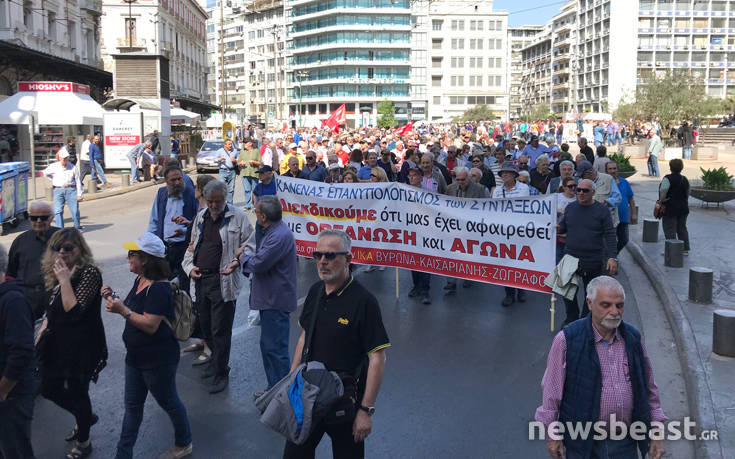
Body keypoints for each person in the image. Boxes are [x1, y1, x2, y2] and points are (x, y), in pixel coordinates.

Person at [283, 230, 390, 459]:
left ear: (348, 259)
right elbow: (304, 337)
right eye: (318, 255)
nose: (322, 261)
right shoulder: (315, 291)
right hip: (308, 396)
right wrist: (291, 383)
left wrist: (366, 411)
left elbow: (377, 358)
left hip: (345, 404)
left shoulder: (364, 302)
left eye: (330, 256)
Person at [535, 276, 666, 459]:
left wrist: (657, 433)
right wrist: (552, 435)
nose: (614, 312)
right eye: (606, 305)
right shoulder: (567, 340)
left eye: (619, 305)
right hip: (582, 444)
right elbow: (551, 394)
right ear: (589, 303)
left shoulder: (633, 339)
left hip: (625, 443)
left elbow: (650, 390)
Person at [102, 233, 192, 459]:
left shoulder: (160, 289)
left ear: (145, 259)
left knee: (169, 402)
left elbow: (150, 324)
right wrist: (113, 298)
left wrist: (122, 310)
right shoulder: (140, 281)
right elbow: (134, 307)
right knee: (132, 408)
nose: (127, 257)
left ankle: (184, 442)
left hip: (157, 361)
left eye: (132, 254)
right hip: (135, 358)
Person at [38, 228, 107, 459]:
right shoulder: (56, 272)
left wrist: (65, 280)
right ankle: (84, 417)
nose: (62, 253)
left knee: (78, 392)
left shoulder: (89, 273)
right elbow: (53, 307)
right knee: (48, 388)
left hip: (82, 346)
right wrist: (45, 325)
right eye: (58, 248)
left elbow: (73, 311)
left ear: (80, 250)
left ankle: (84, 441)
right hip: (58, 344)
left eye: (69, 248)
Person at [182, 180, 253, 393]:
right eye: (210, 201)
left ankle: (221, 372)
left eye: (217, 201)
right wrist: (189, 268)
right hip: (200, 280)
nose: (213, 205)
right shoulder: (201, 217)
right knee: (206, 327)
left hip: (223, 281)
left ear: (225, 199)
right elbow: (191, 248)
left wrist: (237, 261)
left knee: (221, 330)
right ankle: (215, 364)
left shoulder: (237, 217)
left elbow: (250, 244)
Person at [240, 196, 297, 393]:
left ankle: (281, 394)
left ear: (263, 216)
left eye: (256, 213)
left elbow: (259, 263)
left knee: (276, 350)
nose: (254, 216)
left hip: (276, 300)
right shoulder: (270, 231)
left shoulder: (278, 236)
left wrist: (243, 257)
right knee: (268, 347)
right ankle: (274, 389)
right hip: (269, 299)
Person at [558, 179, 617, 325]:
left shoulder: (602, 211)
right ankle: (571, 319)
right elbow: (563, 227)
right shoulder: (570, 208)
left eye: (585, 191)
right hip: (570, 256)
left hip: (592, 258)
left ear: (593, 193)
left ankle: (585, 321)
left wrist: (612, 257)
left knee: (590, 293)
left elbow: (610, 233)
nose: (580, 193)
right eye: (578, 190)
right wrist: (554, 228)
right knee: (566, 291)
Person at [0, 242, 36, 459]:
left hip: (11, 395)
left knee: (16, 450)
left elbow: (21, 352)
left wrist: (3, 390)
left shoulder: (12, 301)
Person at [148, 164, 198, 293]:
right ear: (166, 181)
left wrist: (185, 230)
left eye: (179, 179)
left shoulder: (192, 194)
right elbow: (154, 221)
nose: (177, 183)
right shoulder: (162, 193)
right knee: (163, 285)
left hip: (184, 248)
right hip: (164, 248)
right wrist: (151, 244)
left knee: (183, 286)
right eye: (173, 180)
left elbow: (200, 222)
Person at [7, 201, 60, 319]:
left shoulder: (63, 237)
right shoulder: (20, 241)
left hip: (56, 298)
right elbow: (10, 273)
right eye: (34, 218)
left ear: (51, 218)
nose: (39, 221)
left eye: (43, 217)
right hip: (27, 301)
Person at [444, 166, 487, 292]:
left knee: (469, 255)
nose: (460, 182)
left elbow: (485, 208)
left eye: (463, 179)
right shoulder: (450, 188)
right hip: (454, 228)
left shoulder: (479, 189)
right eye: (458, 179)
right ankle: (451, 281)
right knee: (451, 255)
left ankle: (469, 276)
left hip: (471, 229)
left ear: (468, 178)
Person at [492, 163, 530, 307]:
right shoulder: (497, 191)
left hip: (519, 231)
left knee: (520, 261)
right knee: (506, 262)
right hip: (503, 231)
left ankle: (521, 289)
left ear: (514, 175)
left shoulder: (523, 188)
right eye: (502, 174)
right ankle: (509, 293)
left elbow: (521, 206)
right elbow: (496, 209)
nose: (504, 175)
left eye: (507, 173)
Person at [43, 148, 84, 229]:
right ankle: (60, 229)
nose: (65, 160)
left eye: (66, 158)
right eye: (63, 158)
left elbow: (78, 181)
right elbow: (45, 173)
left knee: (75, 210)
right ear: (60, 158)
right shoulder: (54, 166)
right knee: (58, 211)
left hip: (71, 189)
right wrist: (53, 179)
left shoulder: (73, 167)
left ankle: (77, 226)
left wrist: (79, 194)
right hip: (58, 190)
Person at [659, 158, 690, 255]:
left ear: (670, 167)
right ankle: (685, 249)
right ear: (681, 168)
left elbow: (663, 191)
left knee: (669, 229)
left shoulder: (667, 178)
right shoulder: (684, 179)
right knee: (682, 228)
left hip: (670, 208)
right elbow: (688, 192)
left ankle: (672, 249)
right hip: (683, 207)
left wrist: (660, 201)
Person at [606, 161, 635, 253]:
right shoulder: (604, 183)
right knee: (610, 241)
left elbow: (631, 199)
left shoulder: (625, 182)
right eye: (610, 169)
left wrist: (633, 214)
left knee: (624, 240)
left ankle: (613, 256)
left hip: (623, 218)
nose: (612, 171)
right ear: (606, 171)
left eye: (614, 168)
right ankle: (610, 259)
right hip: (610, 218)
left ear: (617, 169)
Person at [237, 139, 262, 210]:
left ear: (250, 143)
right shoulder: (242, 152)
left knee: (255, 190)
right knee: (247, 190)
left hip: (254, 173)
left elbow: (261, 162)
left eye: (245, 143)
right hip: (244, 173)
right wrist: (240, 163)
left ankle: (255, 205)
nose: (244, 144)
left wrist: (254, 162)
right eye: (244, 143)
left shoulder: (256, 151)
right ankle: (247, 205)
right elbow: (238, 163)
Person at [215, 139, 238, 204]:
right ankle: (222, 203)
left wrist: (235, 160)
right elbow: (214, 159)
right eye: (229, 144)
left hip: (232, 171)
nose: (231, 145)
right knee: (221, 188)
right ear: (225, 145)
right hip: (223, 171)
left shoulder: (235, 151)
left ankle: (230, 204)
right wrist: (220, 159)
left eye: (231, 144)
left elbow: (238, 160)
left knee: (231, 189)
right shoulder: (220, 151)